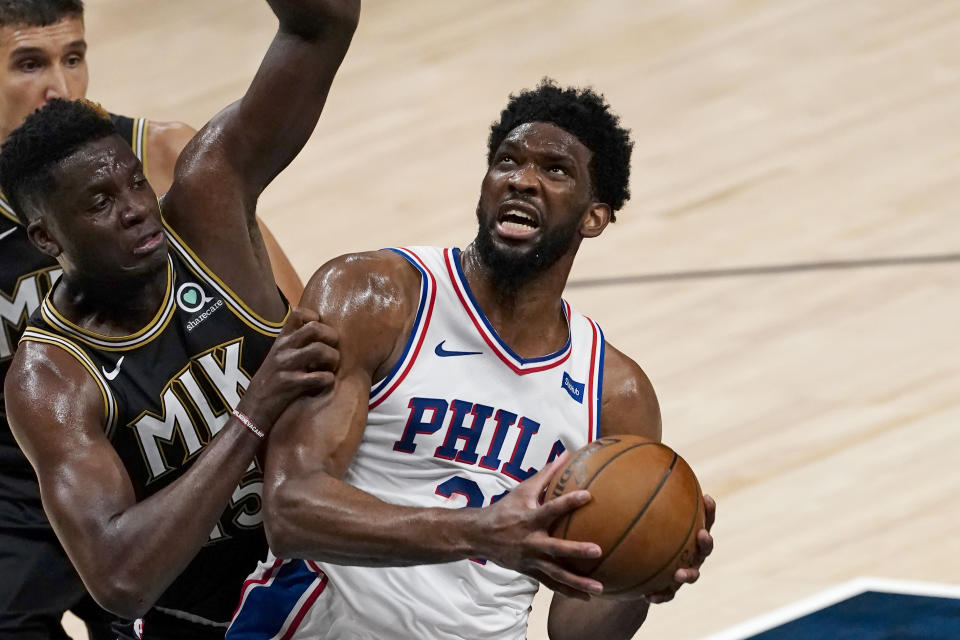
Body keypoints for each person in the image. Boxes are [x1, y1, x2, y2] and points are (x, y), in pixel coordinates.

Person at [227, 80, 716, 640]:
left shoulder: (617, 393)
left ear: (594, 217)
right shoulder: (378, 296)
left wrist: (640, 578)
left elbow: (575, 626)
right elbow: (291, 509)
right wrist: (480, 531)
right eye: (507, 160)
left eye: (555, 171)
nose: (522, 179)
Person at [0, 0, 358, 637]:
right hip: (202, 614)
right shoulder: (47, 377)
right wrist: (254, 412)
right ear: (46, 238)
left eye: (137, 185)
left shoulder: (204, 208)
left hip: (329, 570)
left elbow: (321, 26)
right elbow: (122, 581)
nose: (138, 209)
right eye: (102, 202)